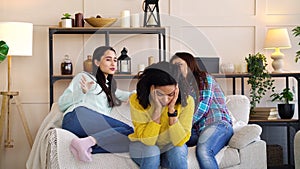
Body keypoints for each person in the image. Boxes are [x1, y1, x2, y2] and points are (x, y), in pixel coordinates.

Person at [58, 46, 134, 162]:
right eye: (108, 59)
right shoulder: (84, 77)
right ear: (97, 62)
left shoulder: (109, 87)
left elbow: (127, 95)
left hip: (90, 126)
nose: (113, 63)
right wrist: (82, 92)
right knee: (129, 131)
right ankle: (88, 143)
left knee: (131, 141)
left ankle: (85, 145)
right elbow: (62, 104)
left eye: (115, 60)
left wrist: (148, 93)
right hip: (76, 117)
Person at [170, 52, 233, 169]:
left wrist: (182, 126)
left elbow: (202, 108)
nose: (176, 69)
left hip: (218, 125)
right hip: (197, 131)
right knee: (170, 143)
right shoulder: (180, 87)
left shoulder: (205, 79)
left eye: (179, 65)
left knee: (204, 150)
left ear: (189, 65)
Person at [128, 61, 195, 169]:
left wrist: (172, 112)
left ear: (177, 89)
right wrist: (157, 110)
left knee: (178, 151)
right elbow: (148, 141)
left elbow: (180, 142)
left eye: (170, 94)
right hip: (142, 146)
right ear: (150, 88)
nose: (165, 100)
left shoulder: (187, 102)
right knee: (152, 151)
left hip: (169, 148)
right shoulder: (136, 100)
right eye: (159, 94)